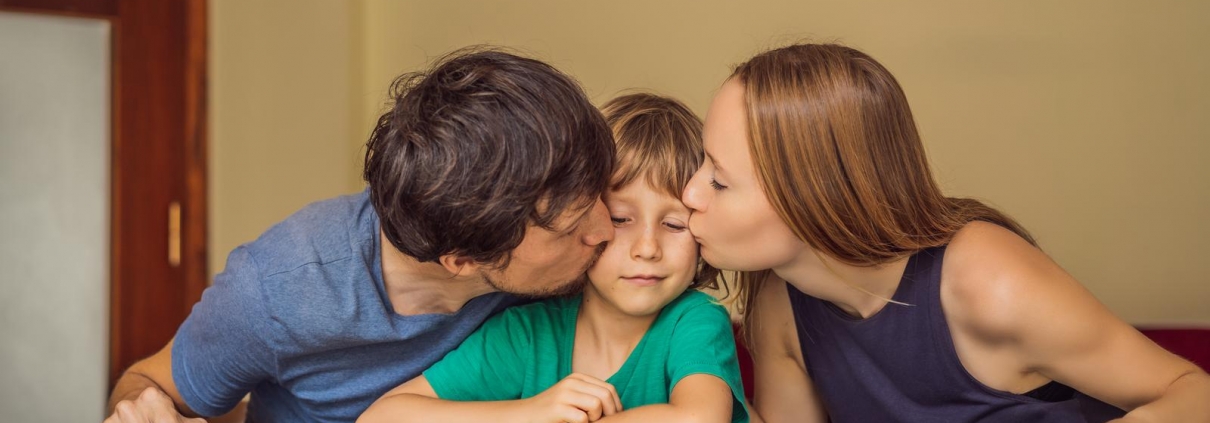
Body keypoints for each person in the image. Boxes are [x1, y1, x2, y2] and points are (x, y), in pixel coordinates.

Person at [680, 43, 1210, 422]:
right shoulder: (780, 301)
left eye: (720, 181)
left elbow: (1195, 394)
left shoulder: (985, 277)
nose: (689, 195)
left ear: (815, 195)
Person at [103, 47, 617, 423]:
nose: (605, 229)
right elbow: (145, 385)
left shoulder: (589, 257)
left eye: (601, 193)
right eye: (571, 227)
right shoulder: (276, 290)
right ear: (460, 259)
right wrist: (145, 414)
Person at [358, 93, 749, 423]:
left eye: (674, 225)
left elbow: (699, 417)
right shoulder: (527, 333)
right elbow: (381, 417)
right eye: (620, 219)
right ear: (582, 219)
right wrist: (529, 412)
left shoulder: (694, 321)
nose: (647, 248)